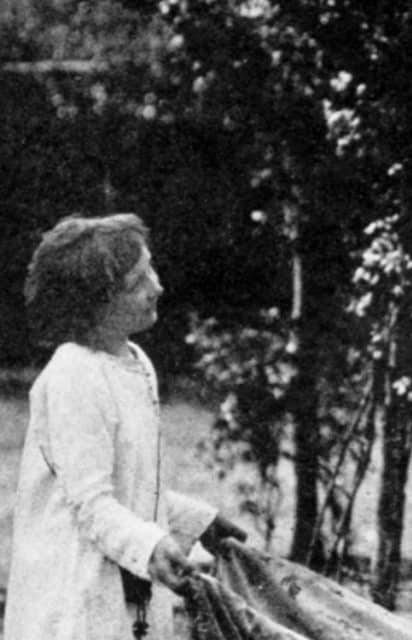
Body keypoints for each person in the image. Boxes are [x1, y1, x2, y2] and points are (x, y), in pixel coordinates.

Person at [4, 214, 247, 640]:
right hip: (76, 594)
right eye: (137, 283)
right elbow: (91, 502)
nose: (157, 286)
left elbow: (130, 483)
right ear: (95, 304)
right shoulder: (73, 377)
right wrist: (151, 546)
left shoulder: (136, 363)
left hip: (127, 588)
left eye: (150, 268)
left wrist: (196, 520)